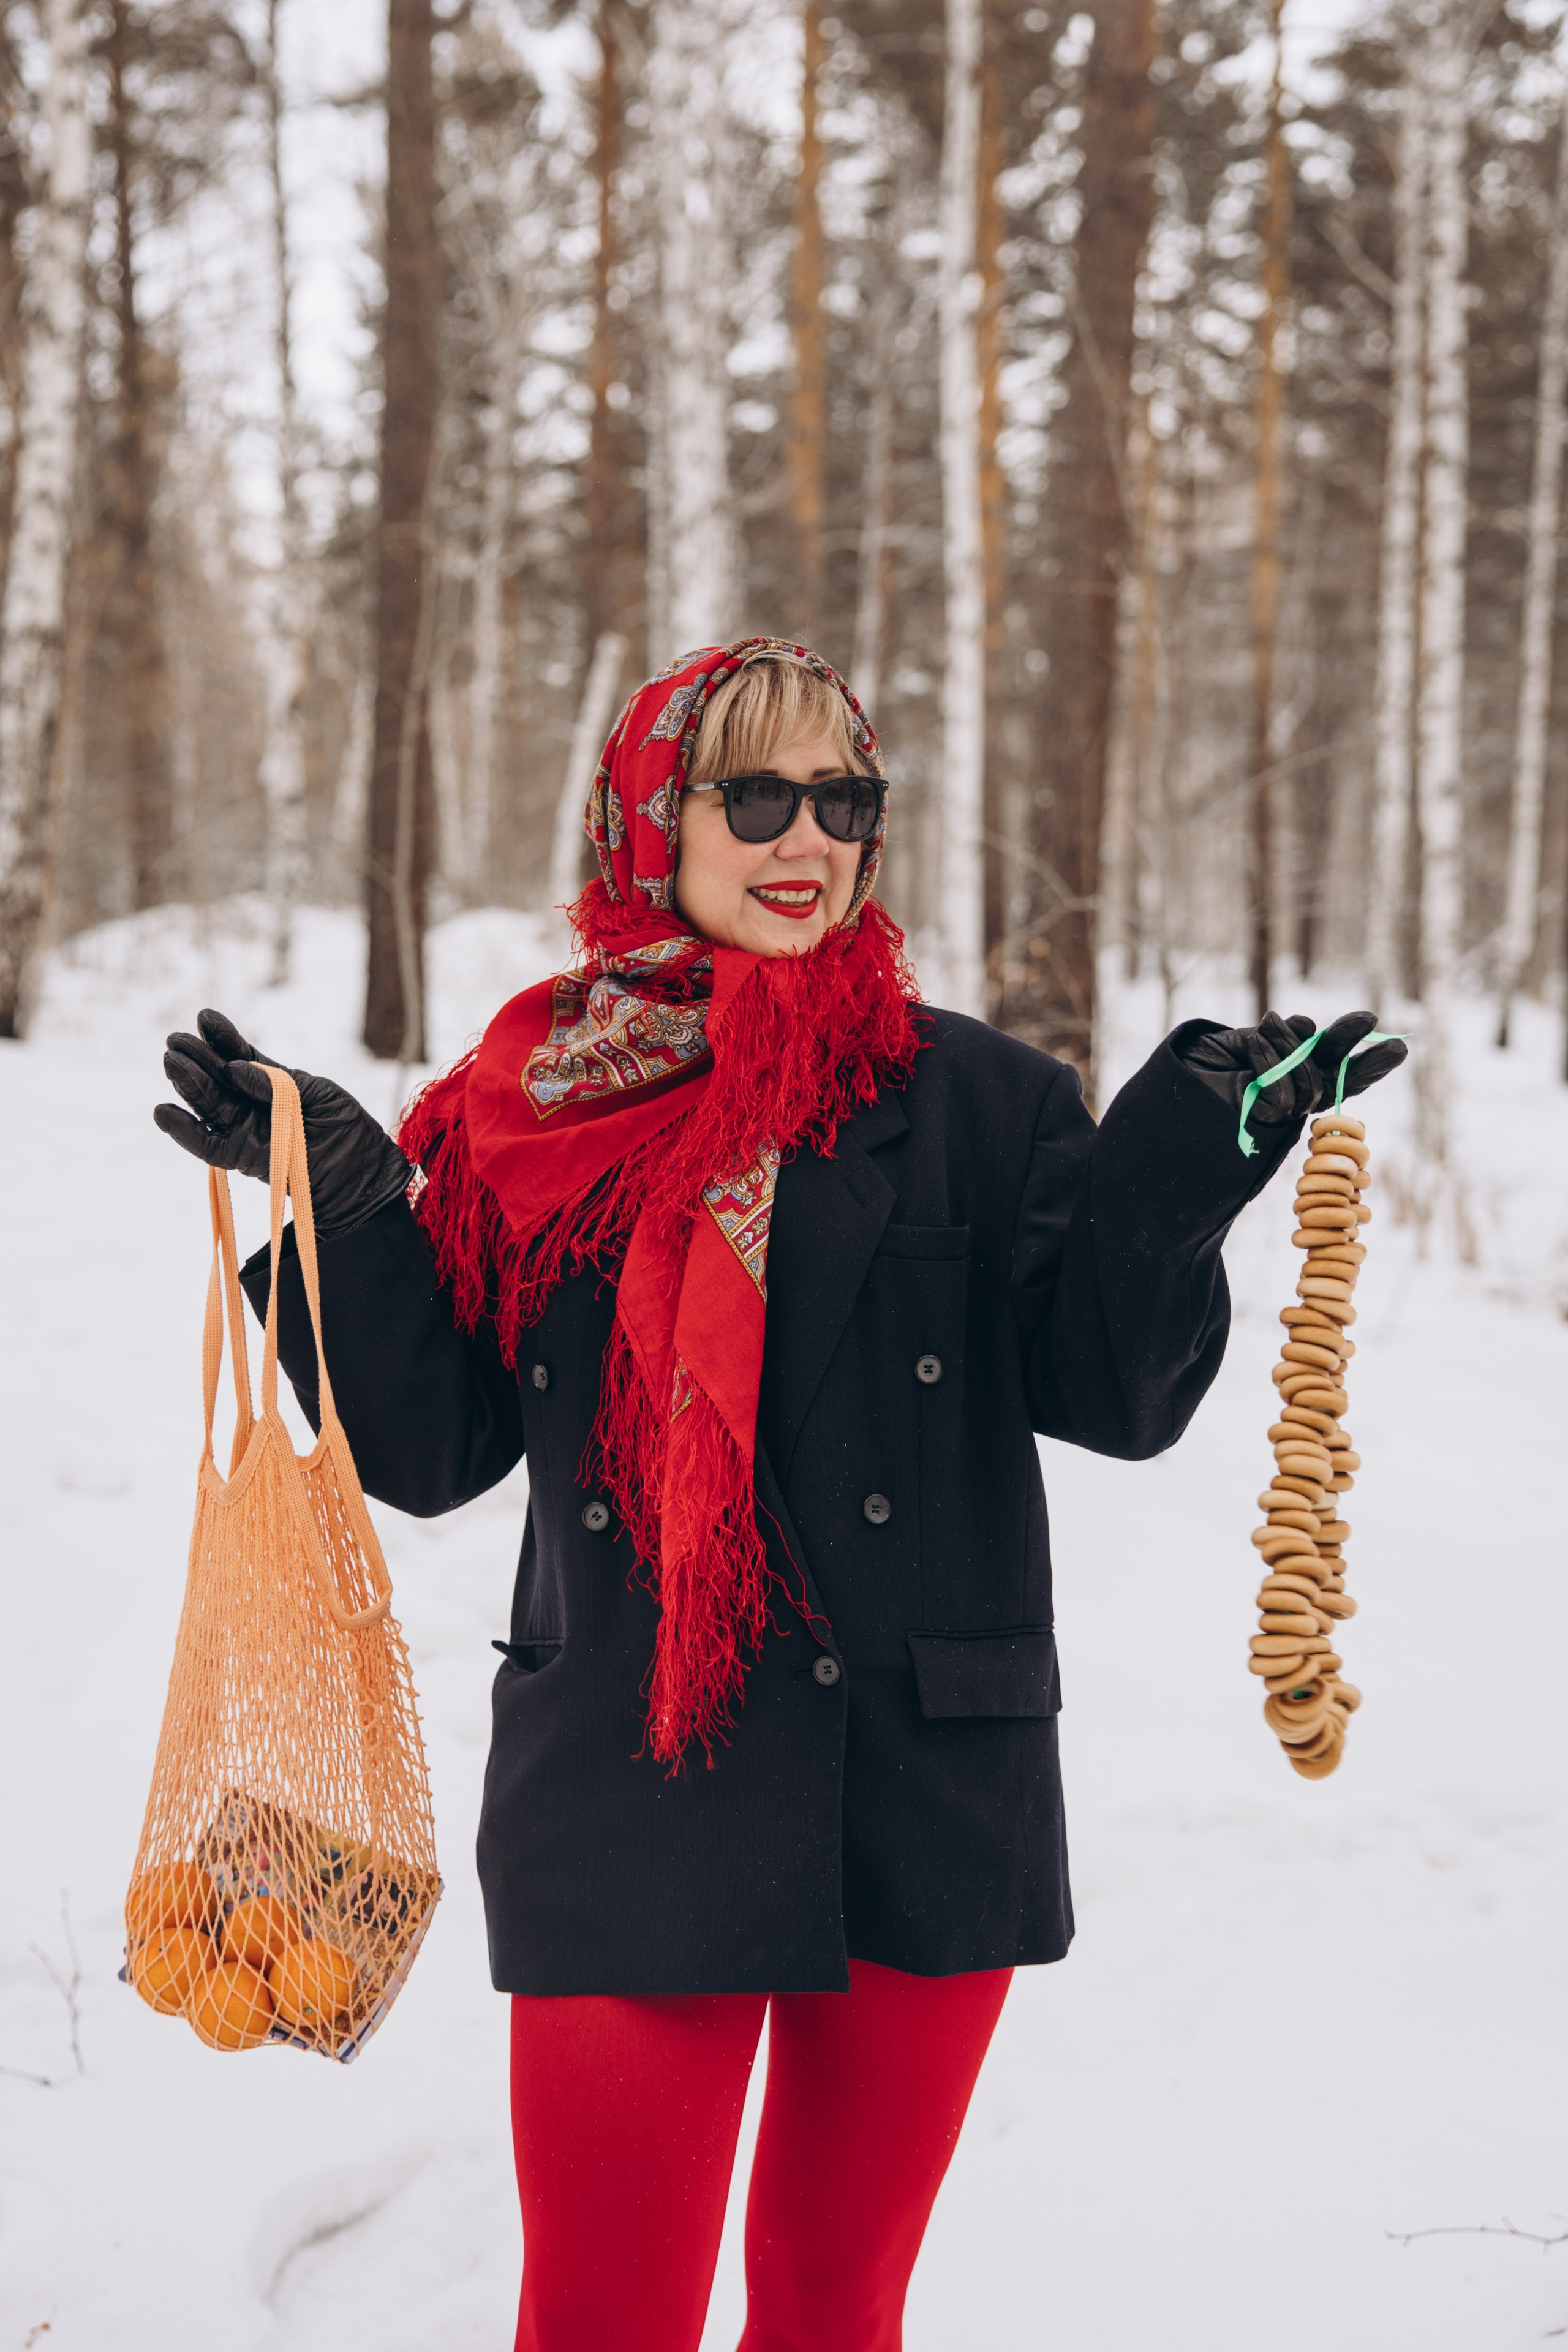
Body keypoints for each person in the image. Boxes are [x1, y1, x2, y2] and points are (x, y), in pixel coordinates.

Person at [154, 637, 1405, 2352]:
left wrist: (1177, 1181)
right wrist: (357, 1197)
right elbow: (440, 1454)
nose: (804, 838)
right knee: (604, 2319)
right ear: (650, 823)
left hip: (923, 1786)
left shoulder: (985, 1101)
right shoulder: (527, 1111)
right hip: (630, 1779)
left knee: (833, 2308)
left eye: (845, 799)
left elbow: (1113, 1400)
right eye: (753, 796)